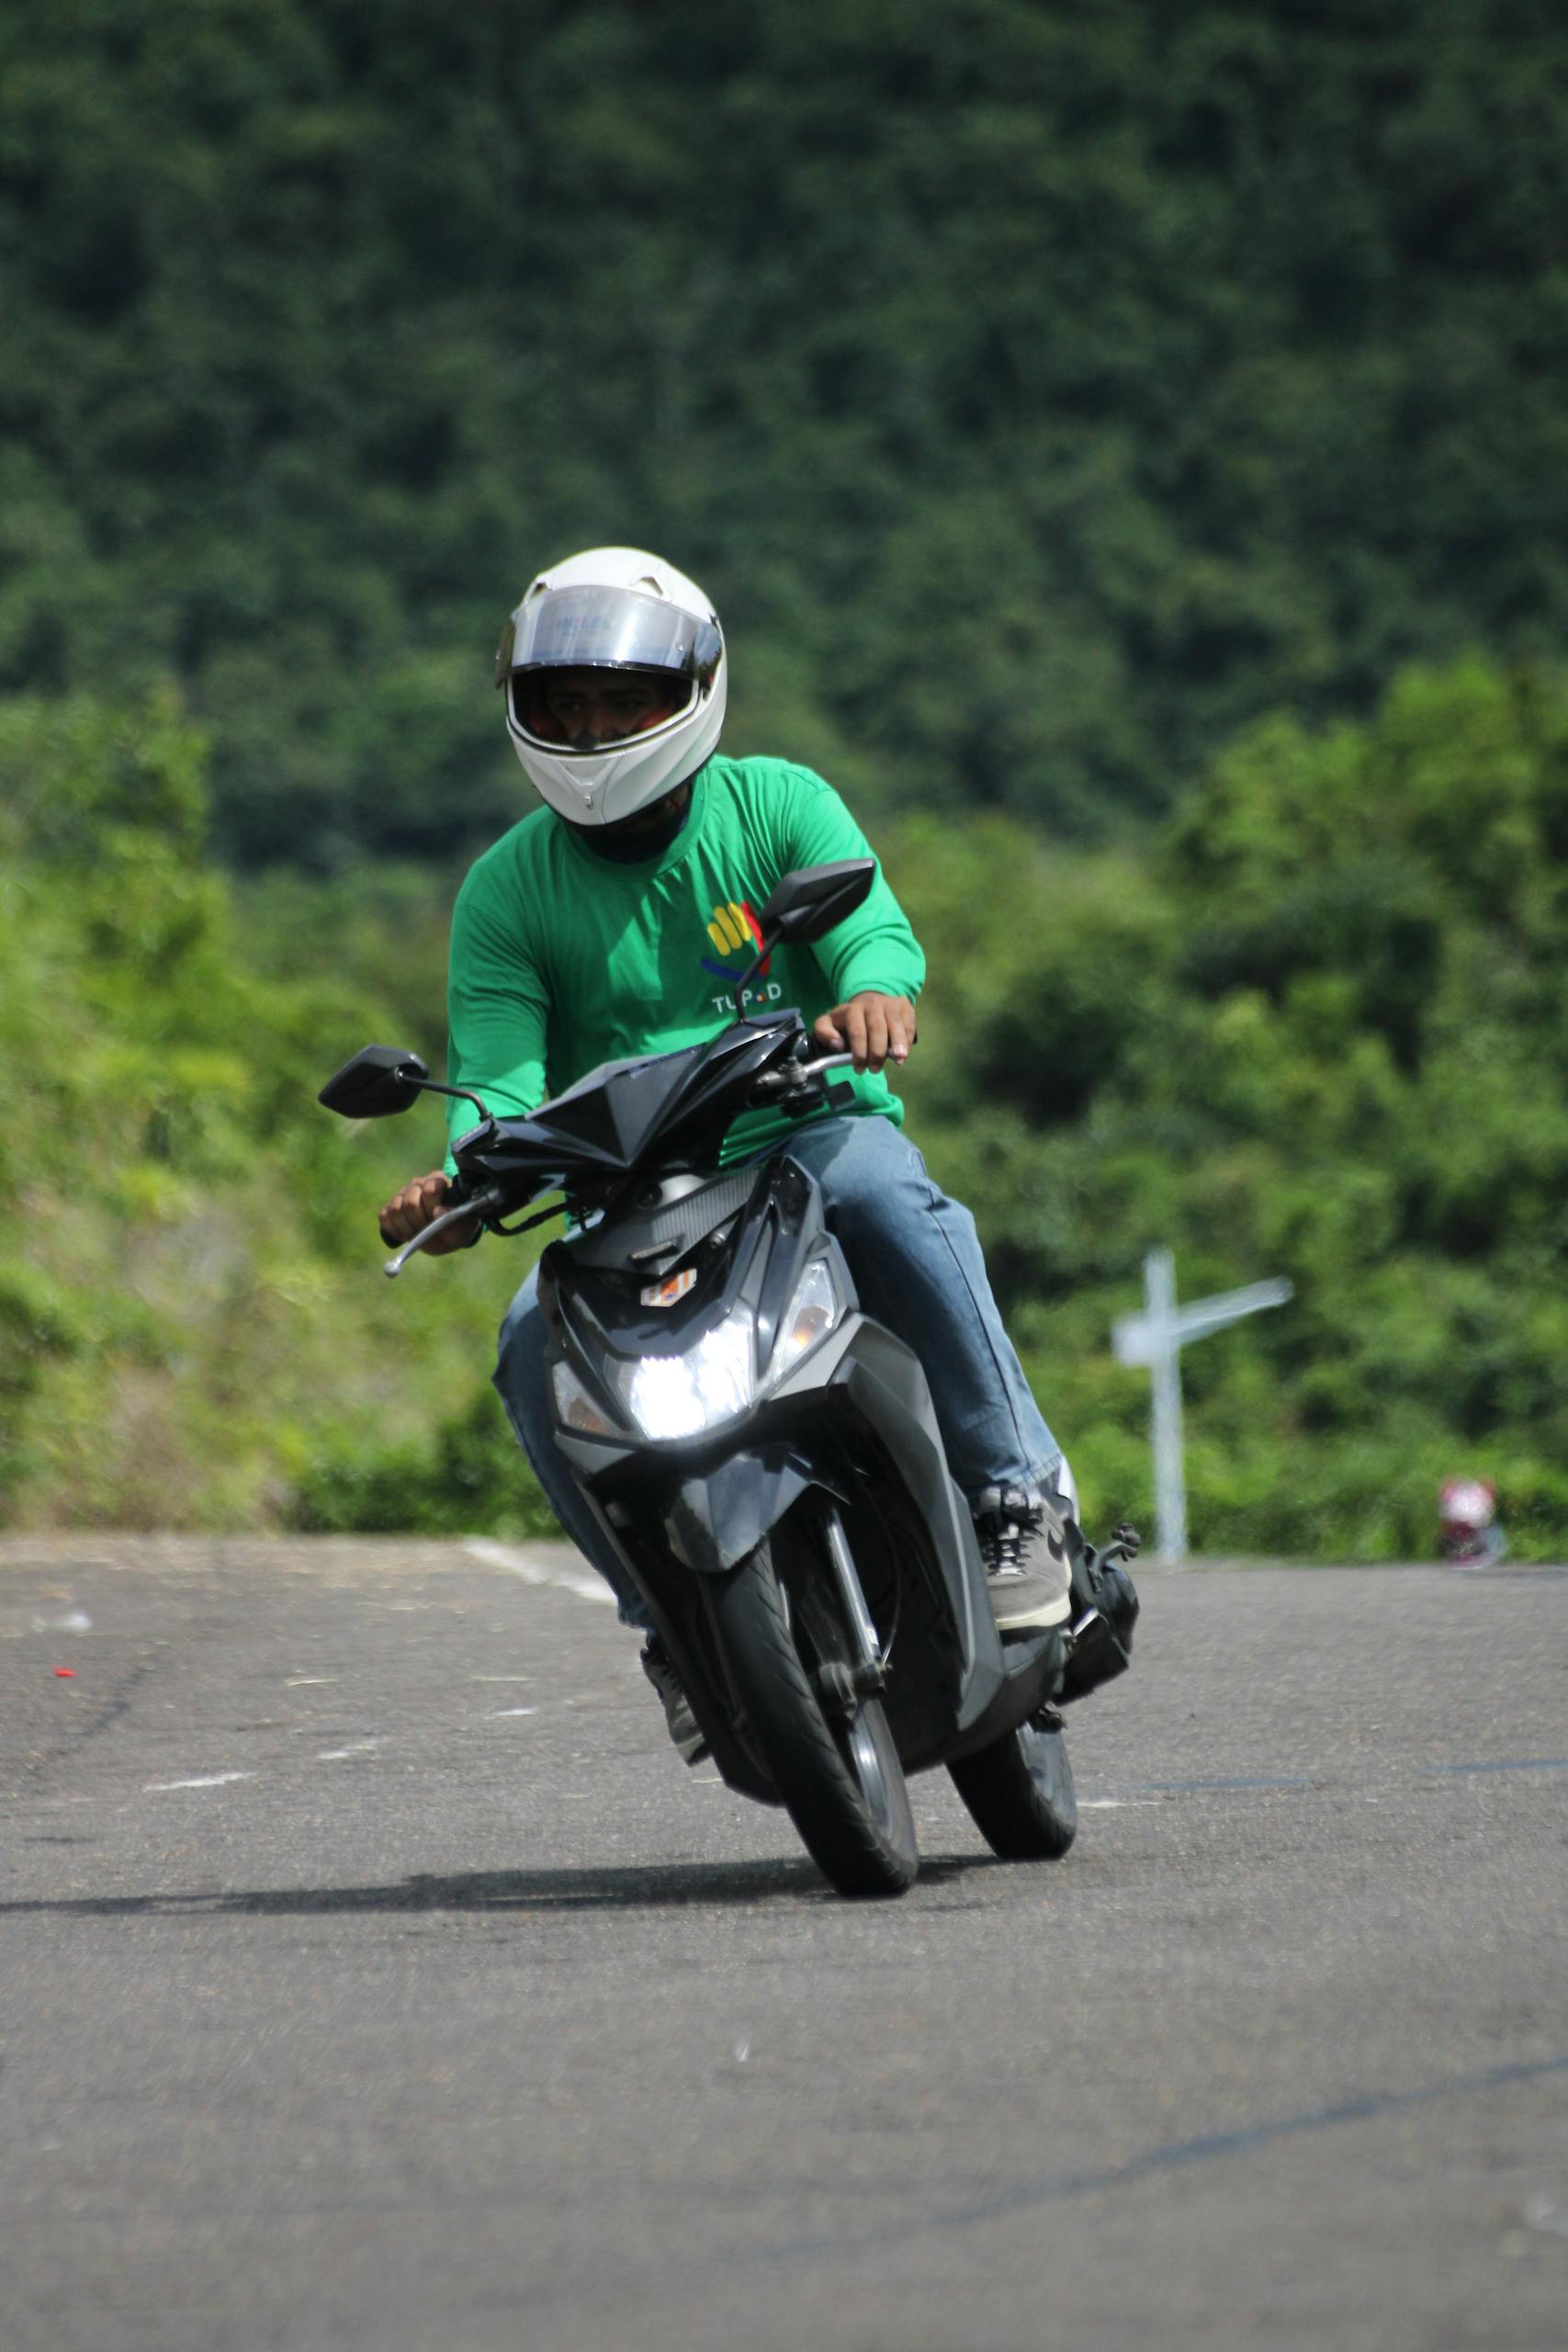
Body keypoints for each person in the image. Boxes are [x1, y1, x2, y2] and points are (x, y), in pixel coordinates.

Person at [378, 546, 1076, 1760]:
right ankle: (667, 1625)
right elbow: (494, 1079)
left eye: (622, 703)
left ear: (692, 692)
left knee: (891, 1197)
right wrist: (466, 1178)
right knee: (532, 1341)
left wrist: (874, 998)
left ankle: (1016, 1495)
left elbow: (871, 932)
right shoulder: (505, 892)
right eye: (566, 705)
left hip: (808, 1136)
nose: (592, 732)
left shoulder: (775, 805)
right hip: (630, 1196)